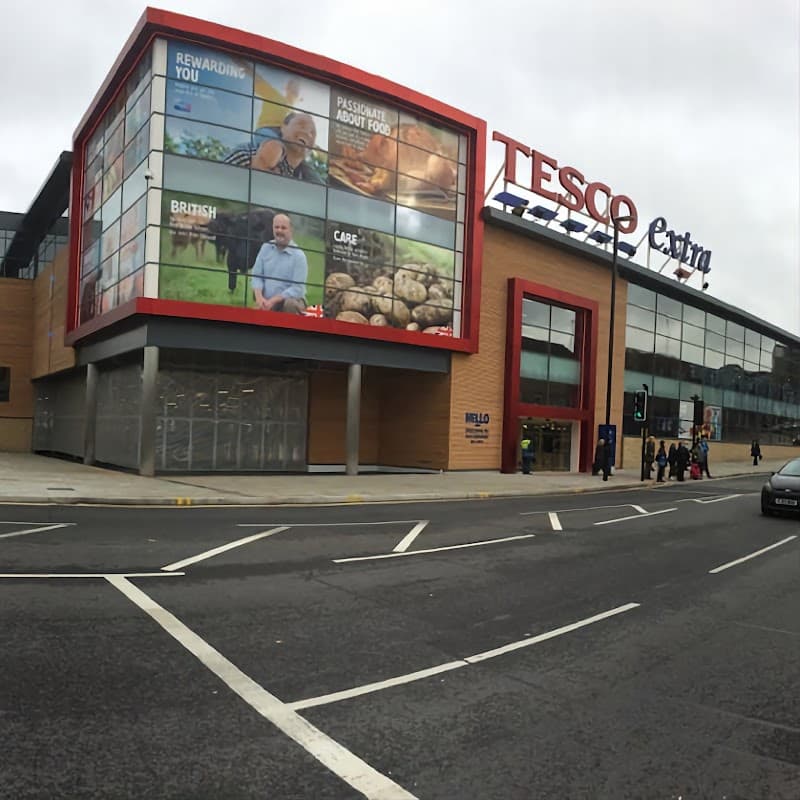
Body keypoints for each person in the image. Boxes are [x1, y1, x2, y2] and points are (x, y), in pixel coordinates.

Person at [225, 111, 324, 184]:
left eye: (312, 133)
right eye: (301, 125)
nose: (307, 133)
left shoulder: (309, 183)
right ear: (283, 127)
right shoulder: (247, 154)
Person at [251, 214, 308, 314]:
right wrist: (260, 298)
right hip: (267, 300)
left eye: (283, 228)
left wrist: (273, 301)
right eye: (276, 227)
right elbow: (256, 276)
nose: (279, 231)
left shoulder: (299, 256)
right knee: (256, 298)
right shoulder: (266, 248)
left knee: (290, 304)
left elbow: (297, 288)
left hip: (290, 301)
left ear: (291, 230)